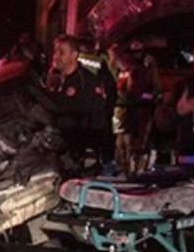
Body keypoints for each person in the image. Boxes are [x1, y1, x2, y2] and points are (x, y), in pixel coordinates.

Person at [43, 34, 116, 171]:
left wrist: (89, 151)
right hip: (57, 150)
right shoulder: (55, 79)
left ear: (74, 55)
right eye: (55, 52)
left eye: (61, 52)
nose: (56, 56)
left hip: (77, 154)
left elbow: (95, 116)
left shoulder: (85, 81)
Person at [108, 44, 157, 174]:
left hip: (136, 111)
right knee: (121, 144)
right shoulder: (120, 72)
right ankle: (122, 169)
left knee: (133, 145)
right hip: (121, 111)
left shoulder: (138, 71)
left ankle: (134, 170)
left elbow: (138, 93)